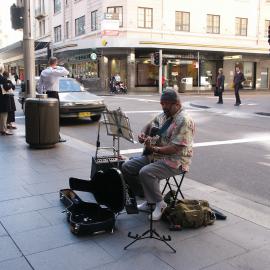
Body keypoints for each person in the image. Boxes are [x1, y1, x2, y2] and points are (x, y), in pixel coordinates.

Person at [121, 89, 195, 221]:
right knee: (127, 167)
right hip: (157, 156)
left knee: (146, 172)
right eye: (162, 104)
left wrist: (154, 149)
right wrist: (143, 134)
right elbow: (149, 125)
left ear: (177, 104)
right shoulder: (164, 115)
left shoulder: (184, 120)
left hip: (176, 160)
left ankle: (160, 203)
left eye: (167, 104)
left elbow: (175, 148)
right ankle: (150, 199)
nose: (164, 107)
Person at [37, 57, 69, 142]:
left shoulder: (44, 72)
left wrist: (41, 95)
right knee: (56, 116)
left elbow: (39, 86)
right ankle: (56, 136)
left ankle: (47, 134)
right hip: (54, 95)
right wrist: (58, 67)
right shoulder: (54, 71)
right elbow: (66, 71)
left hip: (46, 95)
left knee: (47, 116)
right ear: (55, 63)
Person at [0, 71, 15, 135]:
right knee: (4, 114)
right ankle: (3, 130)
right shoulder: (3, 78)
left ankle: (2, 129)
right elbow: (6, 87)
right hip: (3, 98)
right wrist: (10, 84)